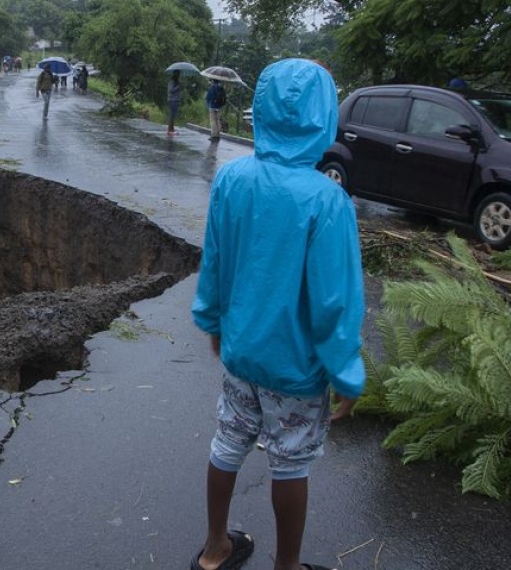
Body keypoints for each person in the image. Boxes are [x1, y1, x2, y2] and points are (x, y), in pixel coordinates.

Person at [190, 58, 363, 570]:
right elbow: (335, 301)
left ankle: (215, 547)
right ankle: (286, 566)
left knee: (228, 442)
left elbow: (216, 261)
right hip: (297, 368)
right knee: (290, 463)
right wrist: (346, 374)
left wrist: (214, 323)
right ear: (323, 115)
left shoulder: (232, 179)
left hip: (242, 352)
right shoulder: (327, 201)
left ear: (261, 108)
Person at [167, 70, 183, 135]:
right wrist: (178, 87)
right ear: (176, 74)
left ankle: (172, 128)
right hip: (172, 100)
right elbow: (170, 90)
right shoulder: (172, 81)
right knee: (172, 115)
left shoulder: (177, 82)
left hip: (176, 100)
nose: (179, 75)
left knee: (173, 115)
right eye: (178, 74)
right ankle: (169, 129)